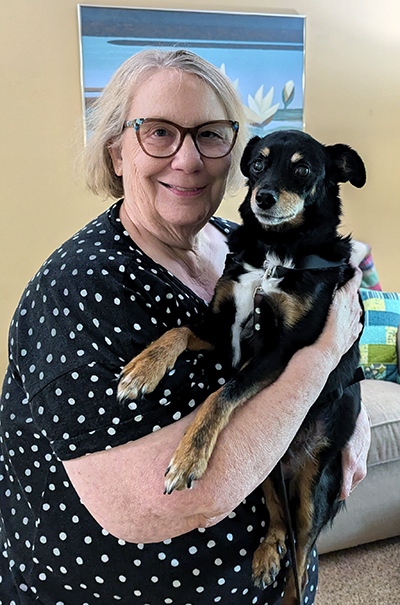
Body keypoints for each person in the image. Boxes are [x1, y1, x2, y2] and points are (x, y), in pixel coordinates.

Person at [0, 49, 370, 605]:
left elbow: (336, 337)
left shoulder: (232, 240)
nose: (188, 159)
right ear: (116, 152)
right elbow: (168, 502)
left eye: (211, 135)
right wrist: (323, 353)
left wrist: (353, 422)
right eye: (158, 133)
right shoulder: (78, 291)